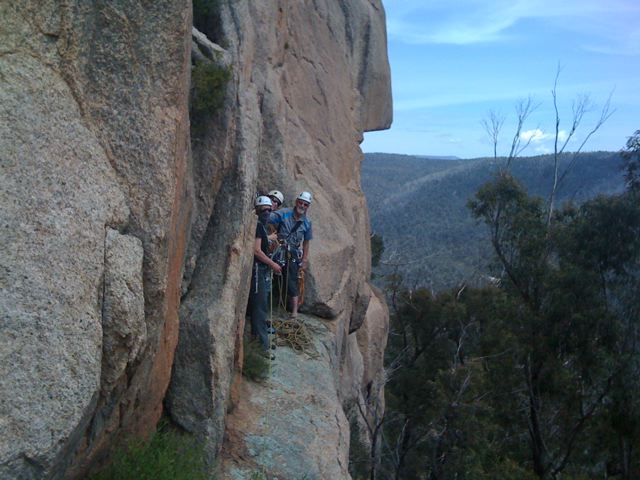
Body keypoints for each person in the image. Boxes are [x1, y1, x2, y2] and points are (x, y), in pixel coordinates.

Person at [270, 191, 313, 319]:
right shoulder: (284, 213)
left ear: (307, 207)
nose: (302, 206)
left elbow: (306, 242)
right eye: (301, 203)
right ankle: (269, 305)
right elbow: (269, 217)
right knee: (270, 274)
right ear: (296, 202)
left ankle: (294, 311)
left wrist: (304, 259)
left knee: (292, 281)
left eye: (305, 204)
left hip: (293, 252)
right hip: (279, 249)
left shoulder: (307, 223)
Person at [249, 196, 282, 352]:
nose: (267, 212)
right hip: (257, 269)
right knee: (259, 308)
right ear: (257, 210)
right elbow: (256, 250)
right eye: (263, 210)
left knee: (261, 306)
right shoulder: (257, 226)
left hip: (261, 269)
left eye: (269, 210)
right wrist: (272, 264)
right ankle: (261, 346)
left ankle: (261, 341)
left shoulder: (261, 226)